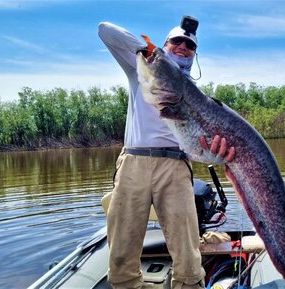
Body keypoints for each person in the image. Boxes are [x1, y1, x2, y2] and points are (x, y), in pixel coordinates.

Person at [98, 17, 234, 289]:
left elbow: (201, 151)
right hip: (133, 163)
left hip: (175, 166)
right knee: (122, 246)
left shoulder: (197, 96)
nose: (183, 47)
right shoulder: (141, 70)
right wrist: (149, 54)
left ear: (194, 55)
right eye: (177, 42)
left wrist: (216, 154)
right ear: (165, 45)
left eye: (190, 46)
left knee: (186, 249)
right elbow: (105, 30)